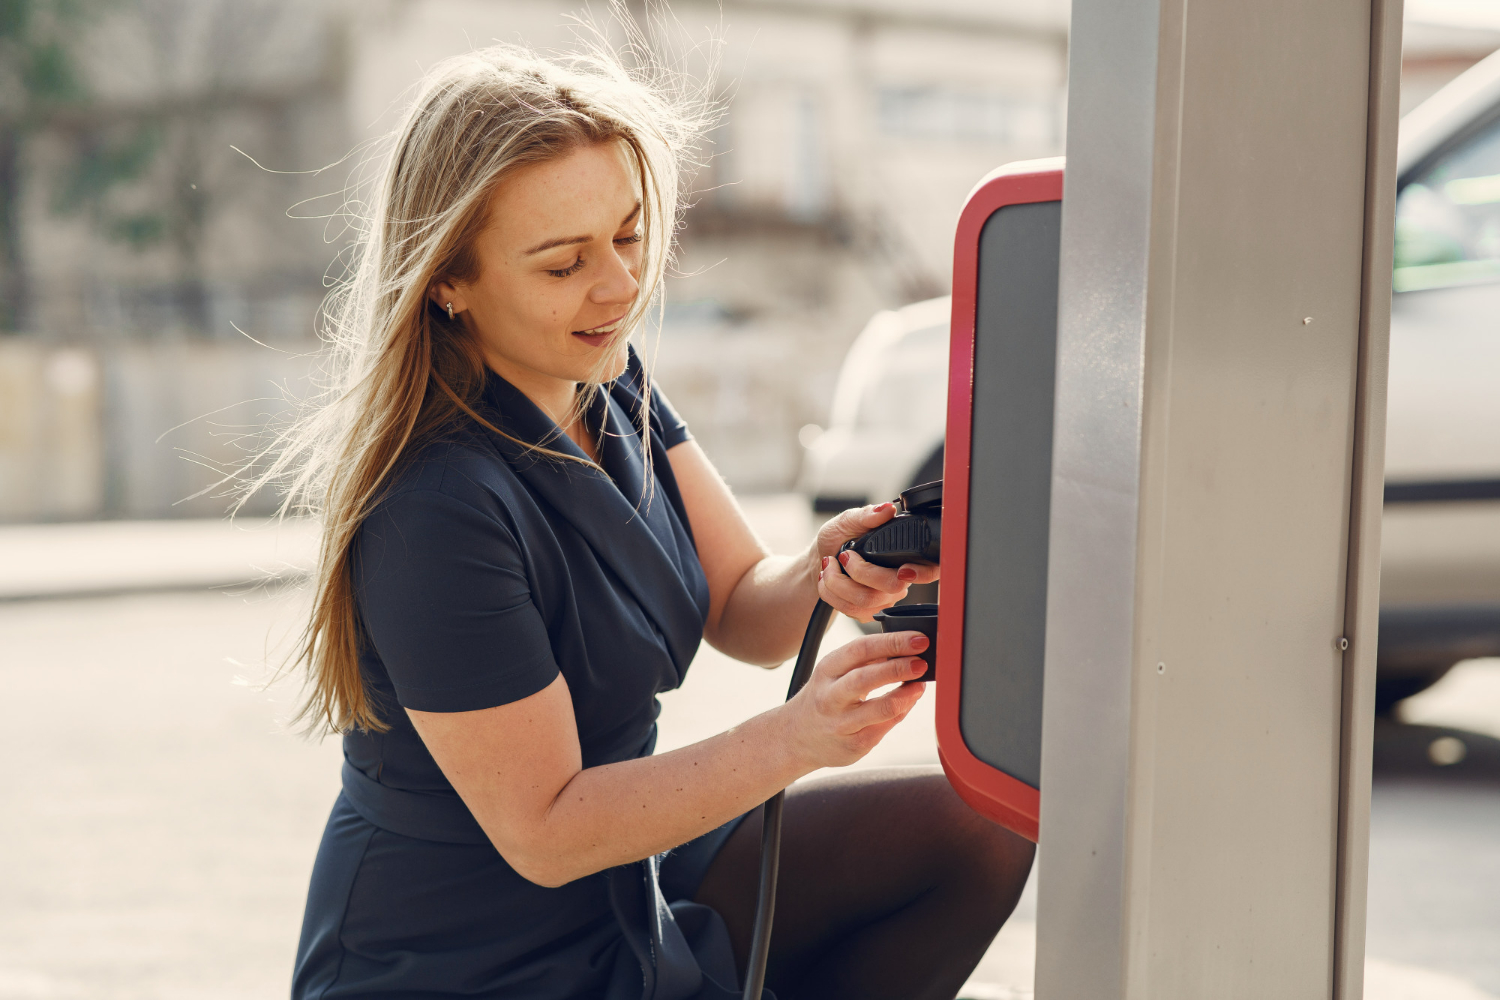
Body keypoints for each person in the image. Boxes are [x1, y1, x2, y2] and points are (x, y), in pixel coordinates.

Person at [277, 39, 1034, 1000]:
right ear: (447, 282)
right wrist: (798, 739)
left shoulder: (610, 379)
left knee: (981, 827)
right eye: (563, 264)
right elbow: (546, 832)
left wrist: (820, 573)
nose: (619, 288)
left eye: (628, 237)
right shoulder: (431, 507)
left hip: (626, 877)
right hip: (461, 950)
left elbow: (744, 614)